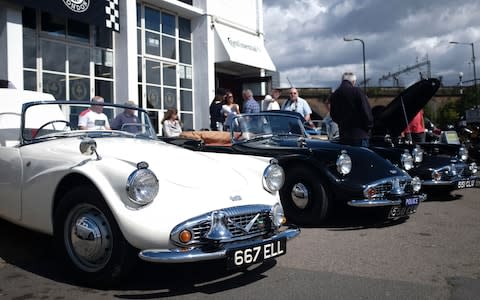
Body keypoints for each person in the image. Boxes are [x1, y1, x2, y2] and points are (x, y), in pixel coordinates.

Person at [330, 72, 373, 147]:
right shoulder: (357, 92)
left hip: (343, 135)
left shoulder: (335, 94)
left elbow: (333, 115)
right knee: (362, 158)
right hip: (360, 134)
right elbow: (367, 112)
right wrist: (369, 126)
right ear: (353, 81)